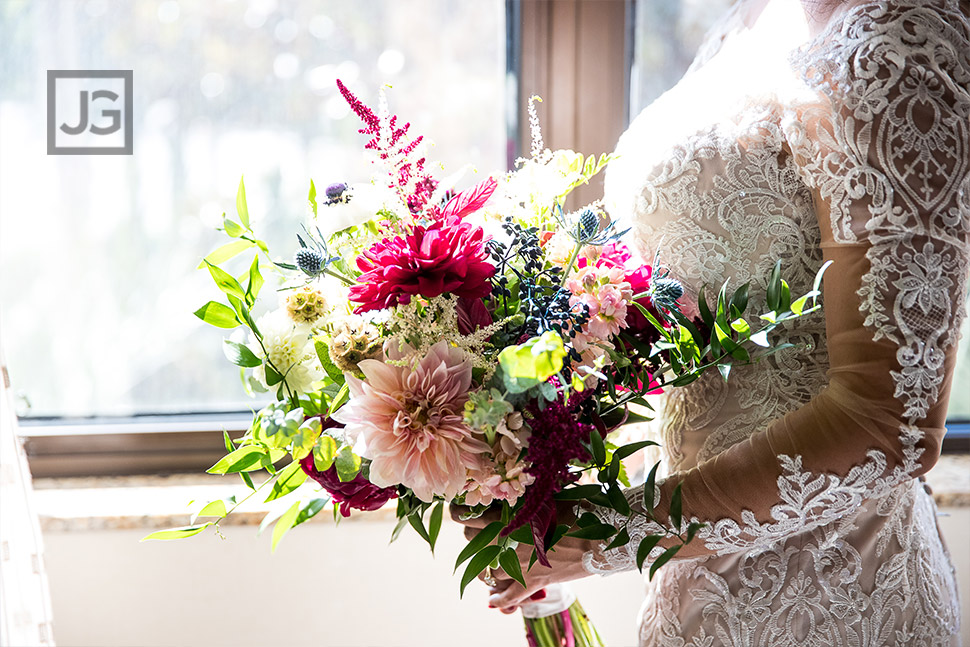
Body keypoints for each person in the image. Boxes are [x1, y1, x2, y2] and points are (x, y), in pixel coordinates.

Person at [456, 0, 968, 644]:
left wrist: (608, 532)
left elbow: (888, 421)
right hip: (691, 584)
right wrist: (525, 437)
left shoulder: (896, 45)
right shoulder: (749, 19)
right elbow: (690, 331)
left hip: (832, 592)